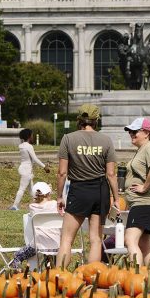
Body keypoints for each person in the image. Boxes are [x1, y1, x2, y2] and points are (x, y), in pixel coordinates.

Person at [55, 106, 119, 269]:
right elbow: (111, 174)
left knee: (67, 238)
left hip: (79, 189)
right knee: (96, 238)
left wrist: (59, 196)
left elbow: (62, 173)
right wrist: (116, 198)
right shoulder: (106, 140)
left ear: (79, 120)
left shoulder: (68, 139)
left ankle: (59, 275)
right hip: (100, 190)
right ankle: (93, 278)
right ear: (96, 120)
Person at [122, 117, 150, 266]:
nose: (131, 134)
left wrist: (144, 187)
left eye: (134, 131)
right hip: (141, 203)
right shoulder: (143, 148)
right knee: (144, 244)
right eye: (130, 132)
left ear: (146, 132)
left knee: (130, 240)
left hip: (144, 202)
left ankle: (136, 276)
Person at [9, 182, 59, 269]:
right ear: (48, 194)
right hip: (57, 244)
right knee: (49, 254)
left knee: (18, 255)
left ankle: (16, 269)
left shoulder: (33, 207)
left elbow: (38, 204)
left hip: (38, 245)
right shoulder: (55, 204)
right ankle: (51, 269)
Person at [9, 128, 49, 210]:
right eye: (32, 135)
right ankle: (15, 206)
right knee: (22, 189)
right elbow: (35, 159)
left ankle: (38, 204)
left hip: (24, 169)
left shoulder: (21, 146)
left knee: (32, 190)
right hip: (26, 170)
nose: (33, 137)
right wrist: (44, 167)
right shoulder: (29, 146)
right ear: (29, 136)